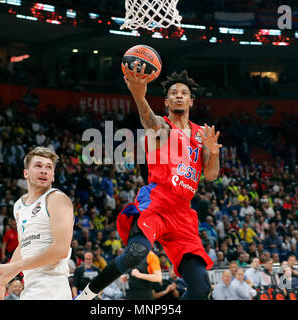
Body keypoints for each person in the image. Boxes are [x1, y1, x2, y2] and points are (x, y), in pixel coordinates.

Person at [76, 69, 221, 300]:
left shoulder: (202, 134)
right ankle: (86, 295)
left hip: (183, 214)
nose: (179, 96)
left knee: (201, 289)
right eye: (174, 93)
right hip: (156, 201)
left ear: (191, 101)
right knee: (136, 253)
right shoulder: (162, 127)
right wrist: (138, 95)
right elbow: (148, 120)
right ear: (166, 101)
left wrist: (213, 153)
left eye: (184, 93)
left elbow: (211, 175)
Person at [0, 147, 74, 300]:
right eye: (38, 166)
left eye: (49, 167)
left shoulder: (57, 199)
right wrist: (2, 282)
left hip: (52, 287)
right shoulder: (19, 205)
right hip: (31, 286)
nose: (44, 171)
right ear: (26, 173)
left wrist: (16, 267)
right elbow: (24, 246)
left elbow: (60, 250)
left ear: (53, 176)